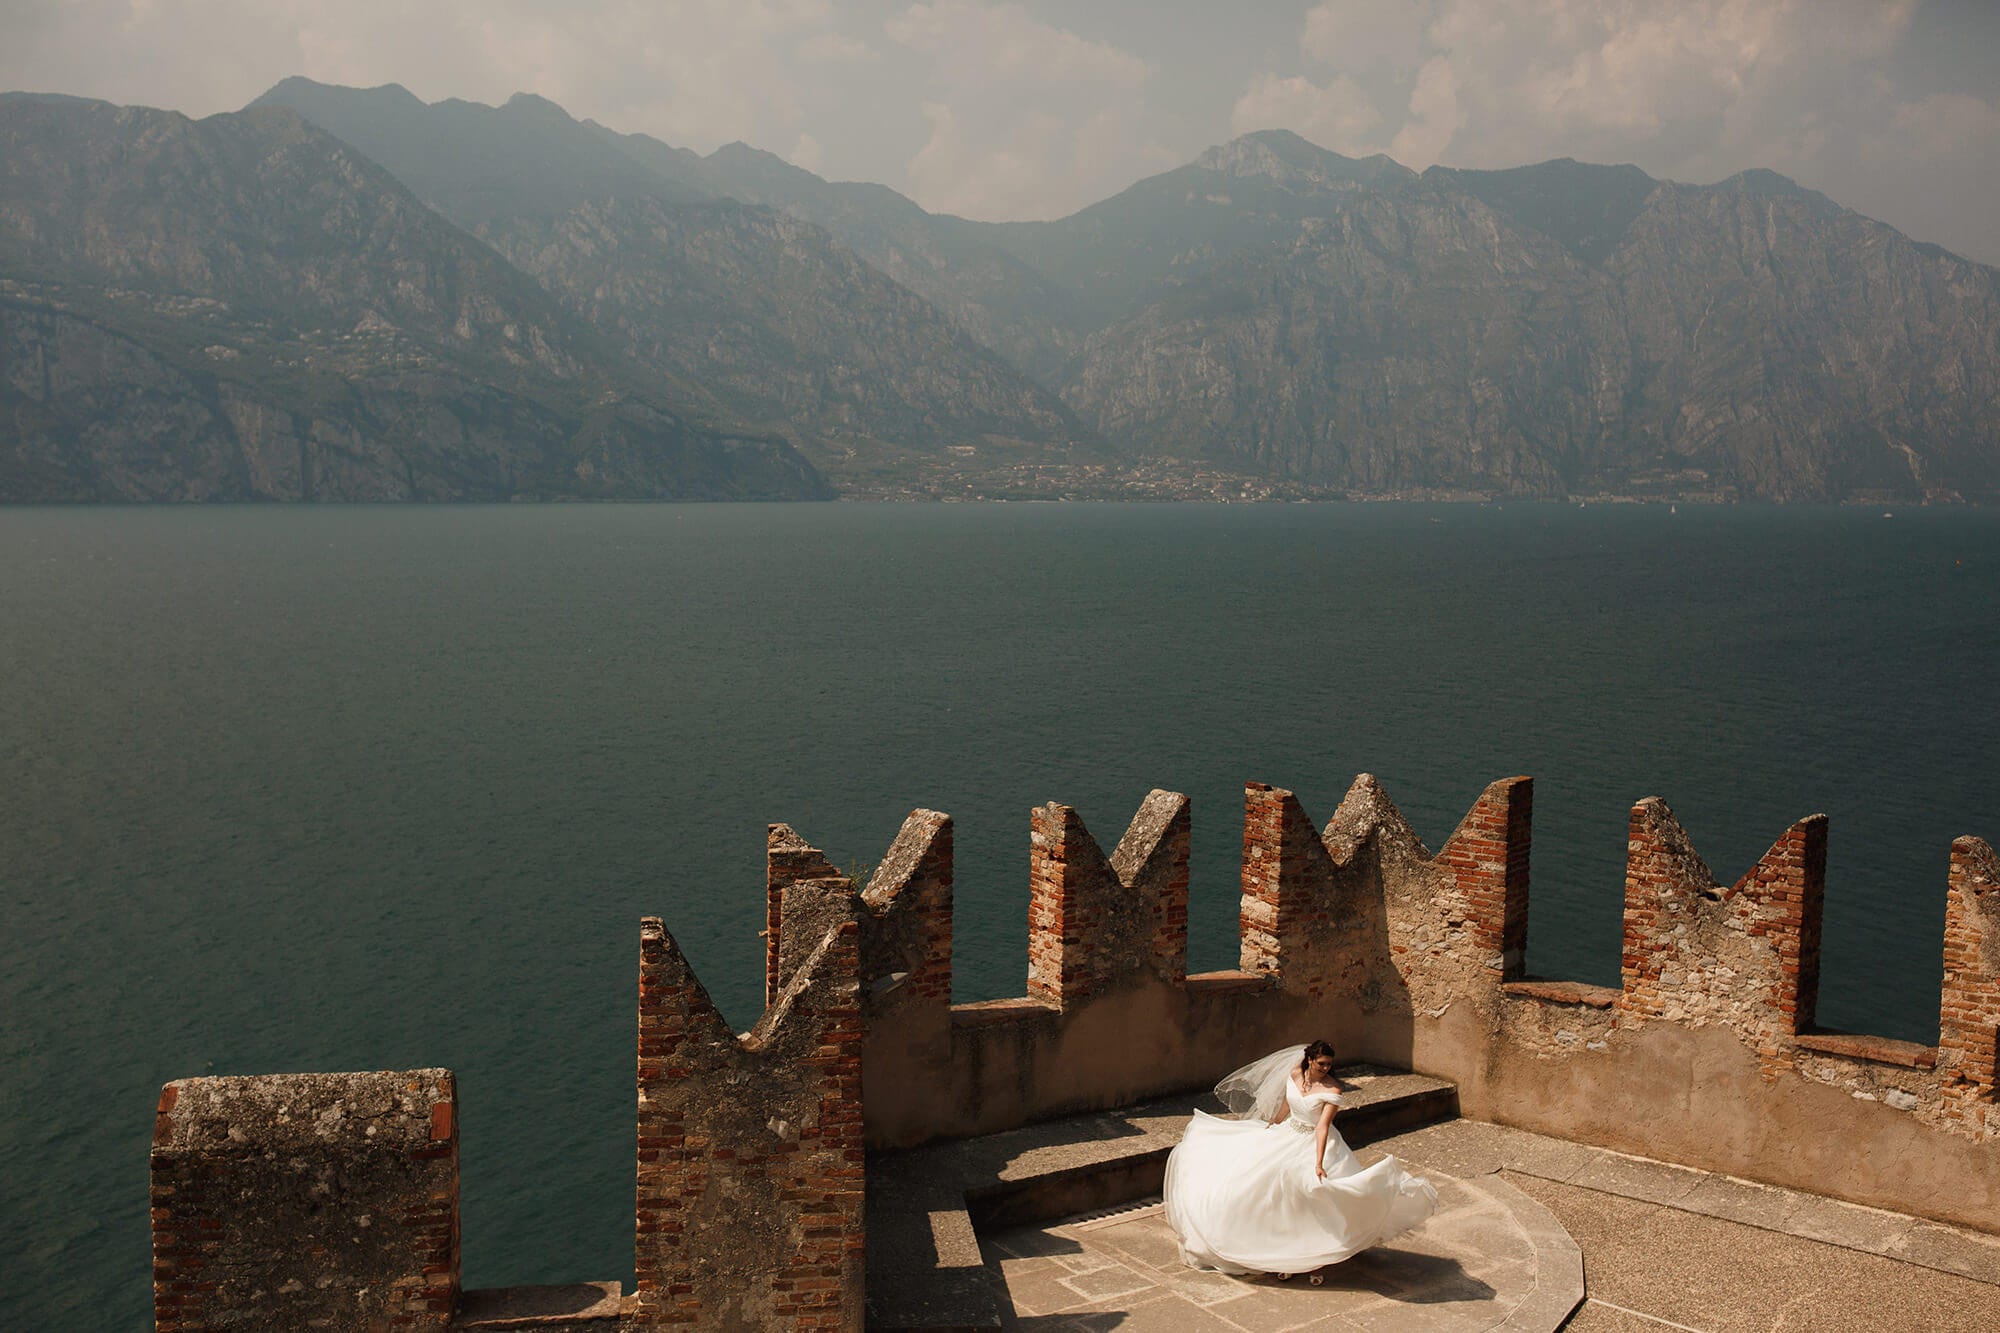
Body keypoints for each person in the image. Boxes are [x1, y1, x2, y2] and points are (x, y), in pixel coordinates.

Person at [1162, 1041, 1438, 1281]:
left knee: (1311, 1192)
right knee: (1253, 1184)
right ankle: (1273, 1244)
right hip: (1286, 1133)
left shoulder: (1333, 1090)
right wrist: (1273, 1124)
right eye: (1321, 1063)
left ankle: (1310, 1252)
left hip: (1313, 1143)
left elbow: (1322, 1128)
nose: (1326, 1068)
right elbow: (1286, 1103)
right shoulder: (1295, 1074)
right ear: (1309, 1060)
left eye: (1329, 1064)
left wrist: (1318, 1163)